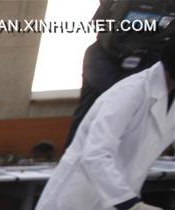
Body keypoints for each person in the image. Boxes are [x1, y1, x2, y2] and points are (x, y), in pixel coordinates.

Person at [29, 37, 175, 210]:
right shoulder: (130, 92)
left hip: (114, 206)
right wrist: (133, 206)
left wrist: (129, 204)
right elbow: (96, 154)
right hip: (77, 201)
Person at [65, 1, 175, 147]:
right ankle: (76, 158)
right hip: (105, 58)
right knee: (94, 111)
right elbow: (99, 25)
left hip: (146, 59)